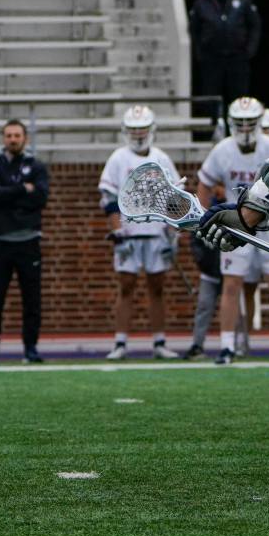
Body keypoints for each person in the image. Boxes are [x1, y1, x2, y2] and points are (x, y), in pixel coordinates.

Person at [197, 97, 269, 364]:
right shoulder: (222, 150)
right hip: (236, 224)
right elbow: (204, 183)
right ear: (231, 123)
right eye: (240, 123)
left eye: (250, 122)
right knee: (231, 284)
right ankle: (227, 346)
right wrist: (203, 218)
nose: (245, 128)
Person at [95, 106, 178, 361]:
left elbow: (174, 198)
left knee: (157, 288)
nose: (138, 134)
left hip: (156, 232)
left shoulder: (162, 158)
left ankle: (159, 342)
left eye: (142, 129)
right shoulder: (118, 158)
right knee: (126, 287)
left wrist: (173, 233)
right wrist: (117, 232)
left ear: (151, 130)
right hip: (129, 233)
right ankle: (120, 342)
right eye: (134, 129)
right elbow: (109, 199)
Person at [0, 119, 49, 364]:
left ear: (25, 138)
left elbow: (40, 198)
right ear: (3, 138)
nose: (13, 139)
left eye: (17, 135)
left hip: (28, 240)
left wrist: (8, 193)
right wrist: (21, 190)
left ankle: (31, 347)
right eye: (9, 135)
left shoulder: (37, 167)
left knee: (32, 297)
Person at [188, 0, 259, 137]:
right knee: (212, 98)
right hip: (212, 60)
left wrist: (249, 50)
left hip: (237, 59)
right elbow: (194, 29)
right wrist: (200, 53)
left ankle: (241, 131)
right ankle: (213, 133)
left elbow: (255, 25)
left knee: (238, 96)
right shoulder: (202, 2)